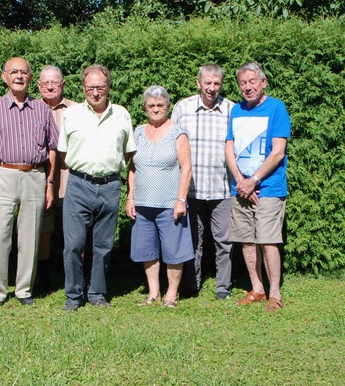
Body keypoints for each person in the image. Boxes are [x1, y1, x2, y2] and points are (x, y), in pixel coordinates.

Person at [0, 57, 58, 308]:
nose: (19, 76)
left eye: (24, 72)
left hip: (34, 175)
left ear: (30, 78)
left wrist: (49, 183)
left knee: (30, 235)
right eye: (14, 72)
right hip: (1, 175)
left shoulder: (42, 109)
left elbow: (52, 148)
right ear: (5, 77)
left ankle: (24, 289)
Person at [59, 64, 136, 310]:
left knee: (103, 245)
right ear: (83, 88)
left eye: (100, 87)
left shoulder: (122, 114)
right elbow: (63, 152)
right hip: (78, 185)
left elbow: (128, 152)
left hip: (110, 186)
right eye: (90, 87)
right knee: (73, 245)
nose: (95, 92)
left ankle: (97, 293)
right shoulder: (71, 115)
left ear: (108, 88)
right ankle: (73, 295)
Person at [225, 61, 290, 313]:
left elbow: (278, 152)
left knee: (268, 240)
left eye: (253, 81)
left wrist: (254, 181)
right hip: (240, 188)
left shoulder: (276, 108)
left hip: (269, 189)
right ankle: (258, 289)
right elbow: (229, 148)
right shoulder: (237, 110)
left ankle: (275, 293)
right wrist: (241, 181)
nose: (248, 87)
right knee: (246, 240)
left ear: (263, 83)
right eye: (243, 83)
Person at [171, 64, 235, 299]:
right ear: (198, 83)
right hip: (191, 190)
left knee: (224, 242)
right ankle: (191, 284)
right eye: (207, 83)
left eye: (216, 83)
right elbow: (173, 144)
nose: (212, 88)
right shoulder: (183, 108)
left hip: (222, 188)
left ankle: (222, 287)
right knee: (192, 240)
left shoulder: (231, 109)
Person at [128, 85, 194, 308]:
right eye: (151, 105)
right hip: (143, 203)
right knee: (147, 250)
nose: (156, 109)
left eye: (160, 105)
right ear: (145, 108)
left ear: (168, 106)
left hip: (170, 204)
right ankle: (154, 293)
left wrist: (181, 200)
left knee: (174, 251)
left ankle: (171, 295)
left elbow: (186, 169)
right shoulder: (137, 132)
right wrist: (130, 197)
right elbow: (132, 168)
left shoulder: (178, 132)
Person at [35, 65, 77, 293]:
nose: (50, 86)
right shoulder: (31, 108)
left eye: (55, 83)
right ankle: (42, 279)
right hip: (40, 178)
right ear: (39, 86)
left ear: (62, 84)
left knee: (76, 231)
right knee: (43, 230)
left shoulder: (77, 109)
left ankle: (77, 278)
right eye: (45, 83)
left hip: (71, 178)